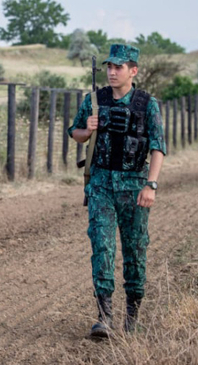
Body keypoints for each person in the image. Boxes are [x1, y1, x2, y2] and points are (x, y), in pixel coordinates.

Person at [67, 44, 166, 339]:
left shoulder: (147, 104)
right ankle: (105, 316)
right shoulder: (94, 100)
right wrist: (88, 128)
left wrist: (151, 184)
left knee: (135, 251)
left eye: (118, 67)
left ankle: (132, 315)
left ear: (133, 71)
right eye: (109, 66)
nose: (111, 71)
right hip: (100, 185)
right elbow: (75, 134)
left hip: (135, 187)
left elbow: (158, 146)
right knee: (102, 247)